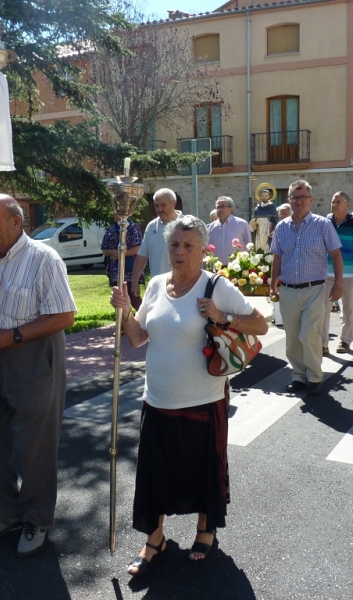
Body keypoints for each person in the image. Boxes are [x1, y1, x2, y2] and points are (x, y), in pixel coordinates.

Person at [110, 215, 267, 576]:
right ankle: (154, 540)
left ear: (201, 250)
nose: (179, 252)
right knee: (154, 473)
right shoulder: (156, 285)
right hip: (158, 399)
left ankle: (205, 530)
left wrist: (222, 318)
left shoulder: (216, 287)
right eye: (174, 245)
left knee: (202, 470)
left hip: (203, 399)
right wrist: (123, 311)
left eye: (188, 246)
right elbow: (137, 337)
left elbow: (260, 324)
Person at [0, 194, 76, 558]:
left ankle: (36, 517)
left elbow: (64, 315)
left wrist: (12, 335)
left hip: (32, 357)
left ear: (16, 222)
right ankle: (4, 512)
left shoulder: (43, 259)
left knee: (34, 445)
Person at [270, 180, 343, 395]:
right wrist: (273, 284)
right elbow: (277, 257)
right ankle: (298, 376)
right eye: (294, 197)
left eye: (303, 197)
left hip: (315, 289)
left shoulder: (323, 224)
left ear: (310, 200)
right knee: (292, 336)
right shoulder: (282, 227)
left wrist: (338, 283)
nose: (298, 201)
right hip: (289, 289)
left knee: (310, 334)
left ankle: (314, 376)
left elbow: (336, 254)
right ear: (289, 200)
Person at [322, 193, 353, 354]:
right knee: (323, 309)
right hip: (327, 272)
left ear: (347, 205)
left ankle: (345, 341)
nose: (334, 204)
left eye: (338, 202)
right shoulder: (326, 221)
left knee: (348, 309)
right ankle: (323, 343)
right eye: (333, 201)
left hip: (349, 274)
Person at [131, 189, 183, 301]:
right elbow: (142, 256)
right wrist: (135, 281)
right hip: (159, 288)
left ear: (173, 203)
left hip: (185, 286)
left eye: (163, 205)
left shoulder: (188, 224)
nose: (159, 209)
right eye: (156, 206)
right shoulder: (151, 227)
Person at [101, 212, 144, 311]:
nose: (116, 216)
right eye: (115, 214)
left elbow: (137, 248)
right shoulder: (111, 230)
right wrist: (113, 252)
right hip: (116, 272)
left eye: (119, 214)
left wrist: (121, 254)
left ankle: (147, 321)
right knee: (119, 302)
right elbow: (105, 250)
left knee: (134, 299)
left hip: (131, 272)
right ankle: (123, 325)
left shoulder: (133, 228)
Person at [208, 196, 252, 264]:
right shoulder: (212, 227)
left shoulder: (242, 224)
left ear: (231, 209)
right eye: (218, 207)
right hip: (218, 269)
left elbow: (249, 247)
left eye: (222, 206)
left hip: (237, 269)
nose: (220, 209)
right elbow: (209, 250)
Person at [249, 187, 278, 252]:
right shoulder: (257, 208)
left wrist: (274, 230)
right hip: (259, 232)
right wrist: (253, 221)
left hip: (268, 231)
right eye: (263, 196)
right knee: (259, 247)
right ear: (260, 197)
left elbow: (276, 220)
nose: (264, 197)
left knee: (267, 247)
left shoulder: (272, 208)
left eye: (266, 196)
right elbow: (253, 221)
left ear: (269, 196)